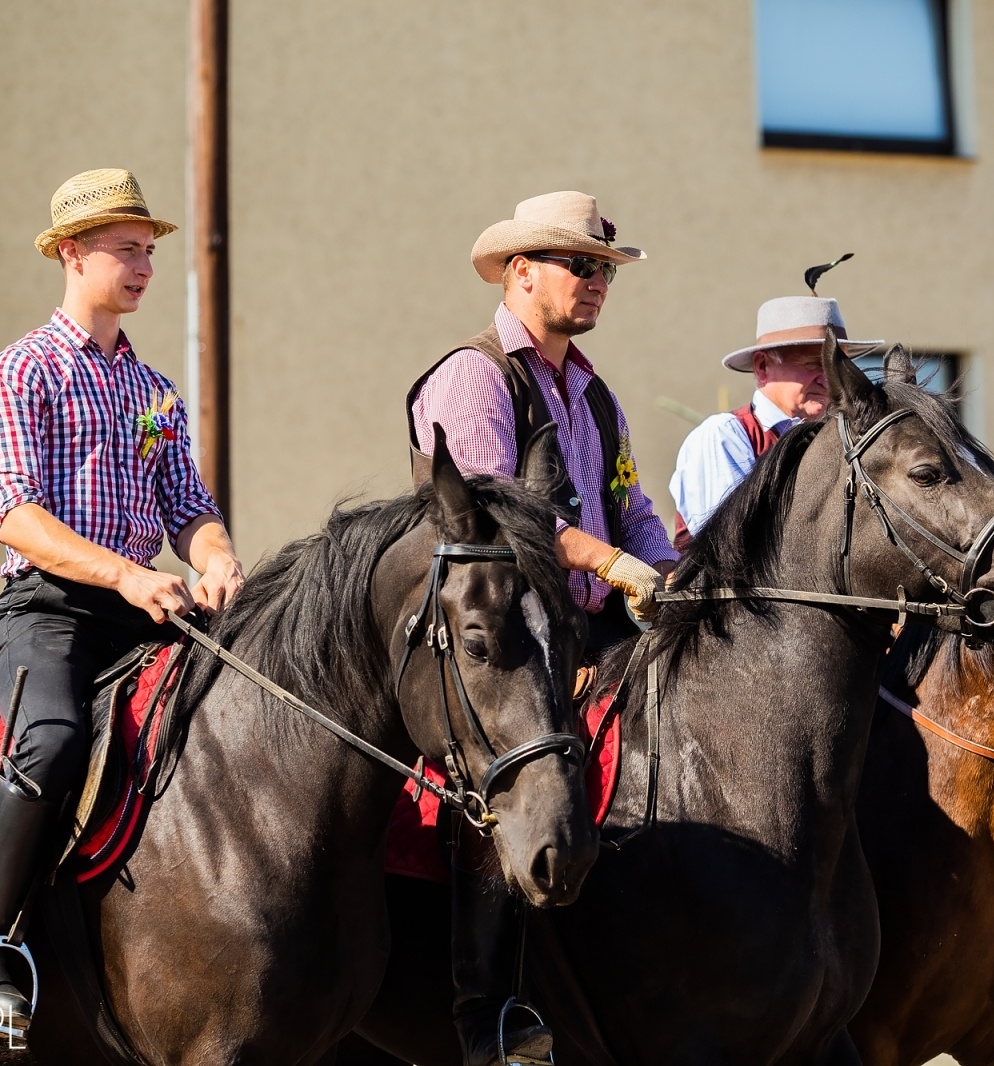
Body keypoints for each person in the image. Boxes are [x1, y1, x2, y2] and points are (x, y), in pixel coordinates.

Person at [0, 169, 244, 1034]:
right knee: (51, 740)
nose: (145, 267)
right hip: (45, 611)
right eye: (127, 250)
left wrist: (219, 559)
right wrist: (125, 574)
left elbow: (188, 508)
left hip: (144, 607)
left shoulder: (155, 391)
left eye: (149, 251)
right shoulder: (22, 371)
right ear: (73, 254)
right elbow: (17, 516)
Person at [407, 190, 677, 1066]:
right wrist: (610, 563)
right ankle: (485, 1012)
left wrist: (672, 577)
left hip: (586, 634)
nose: (596, 281)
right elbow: (496, 520)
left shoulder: (595, 396)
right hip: (499, 642)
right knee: (510, 782)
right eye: (580, 265)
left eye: (605, 270)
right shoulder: (474, 375)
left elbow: (634, 508)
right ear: (521, 271)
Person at [668, 295, 879, 548]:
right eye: (814, 364)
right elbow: (733, 547)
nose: (828, 380)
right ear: (762, 366)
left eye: (837, 368)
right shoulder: (723, 436)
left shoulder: (844, 440)